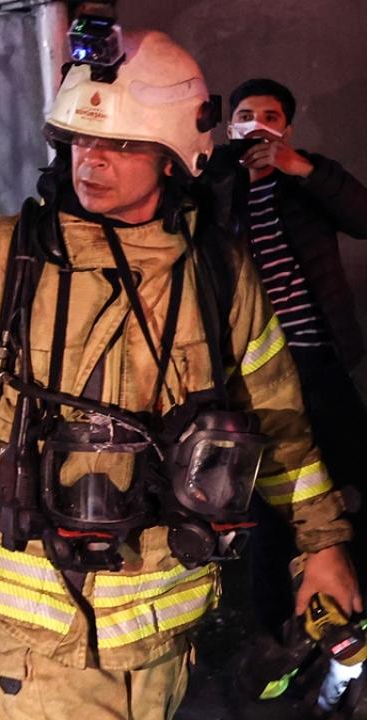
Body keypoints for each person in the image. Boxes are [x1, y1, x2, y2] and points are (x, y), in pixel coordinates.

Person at [0, 31, 360, 718]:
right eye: (79, 140)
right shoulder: (4, 257)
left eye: (121, 144)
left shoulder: (219, 276)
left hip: (164, 644)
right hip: (42, 650)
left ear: (174, 156)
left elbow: (278, 421)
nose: (92, 159)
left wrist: (322, 546)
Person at [210, 79, 367, 640]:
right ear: (230, 125)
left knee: (349, 483)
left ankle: (349, 607)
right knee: (271, 499)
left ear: (287, 126)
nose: (257, 125)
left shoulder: (308, 176)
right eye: (246, 114)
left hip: (321, 362)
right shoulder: (218, 185)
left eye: (270, 115)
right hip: (254, 376)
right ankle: (280, 628)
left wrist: (299, 167)